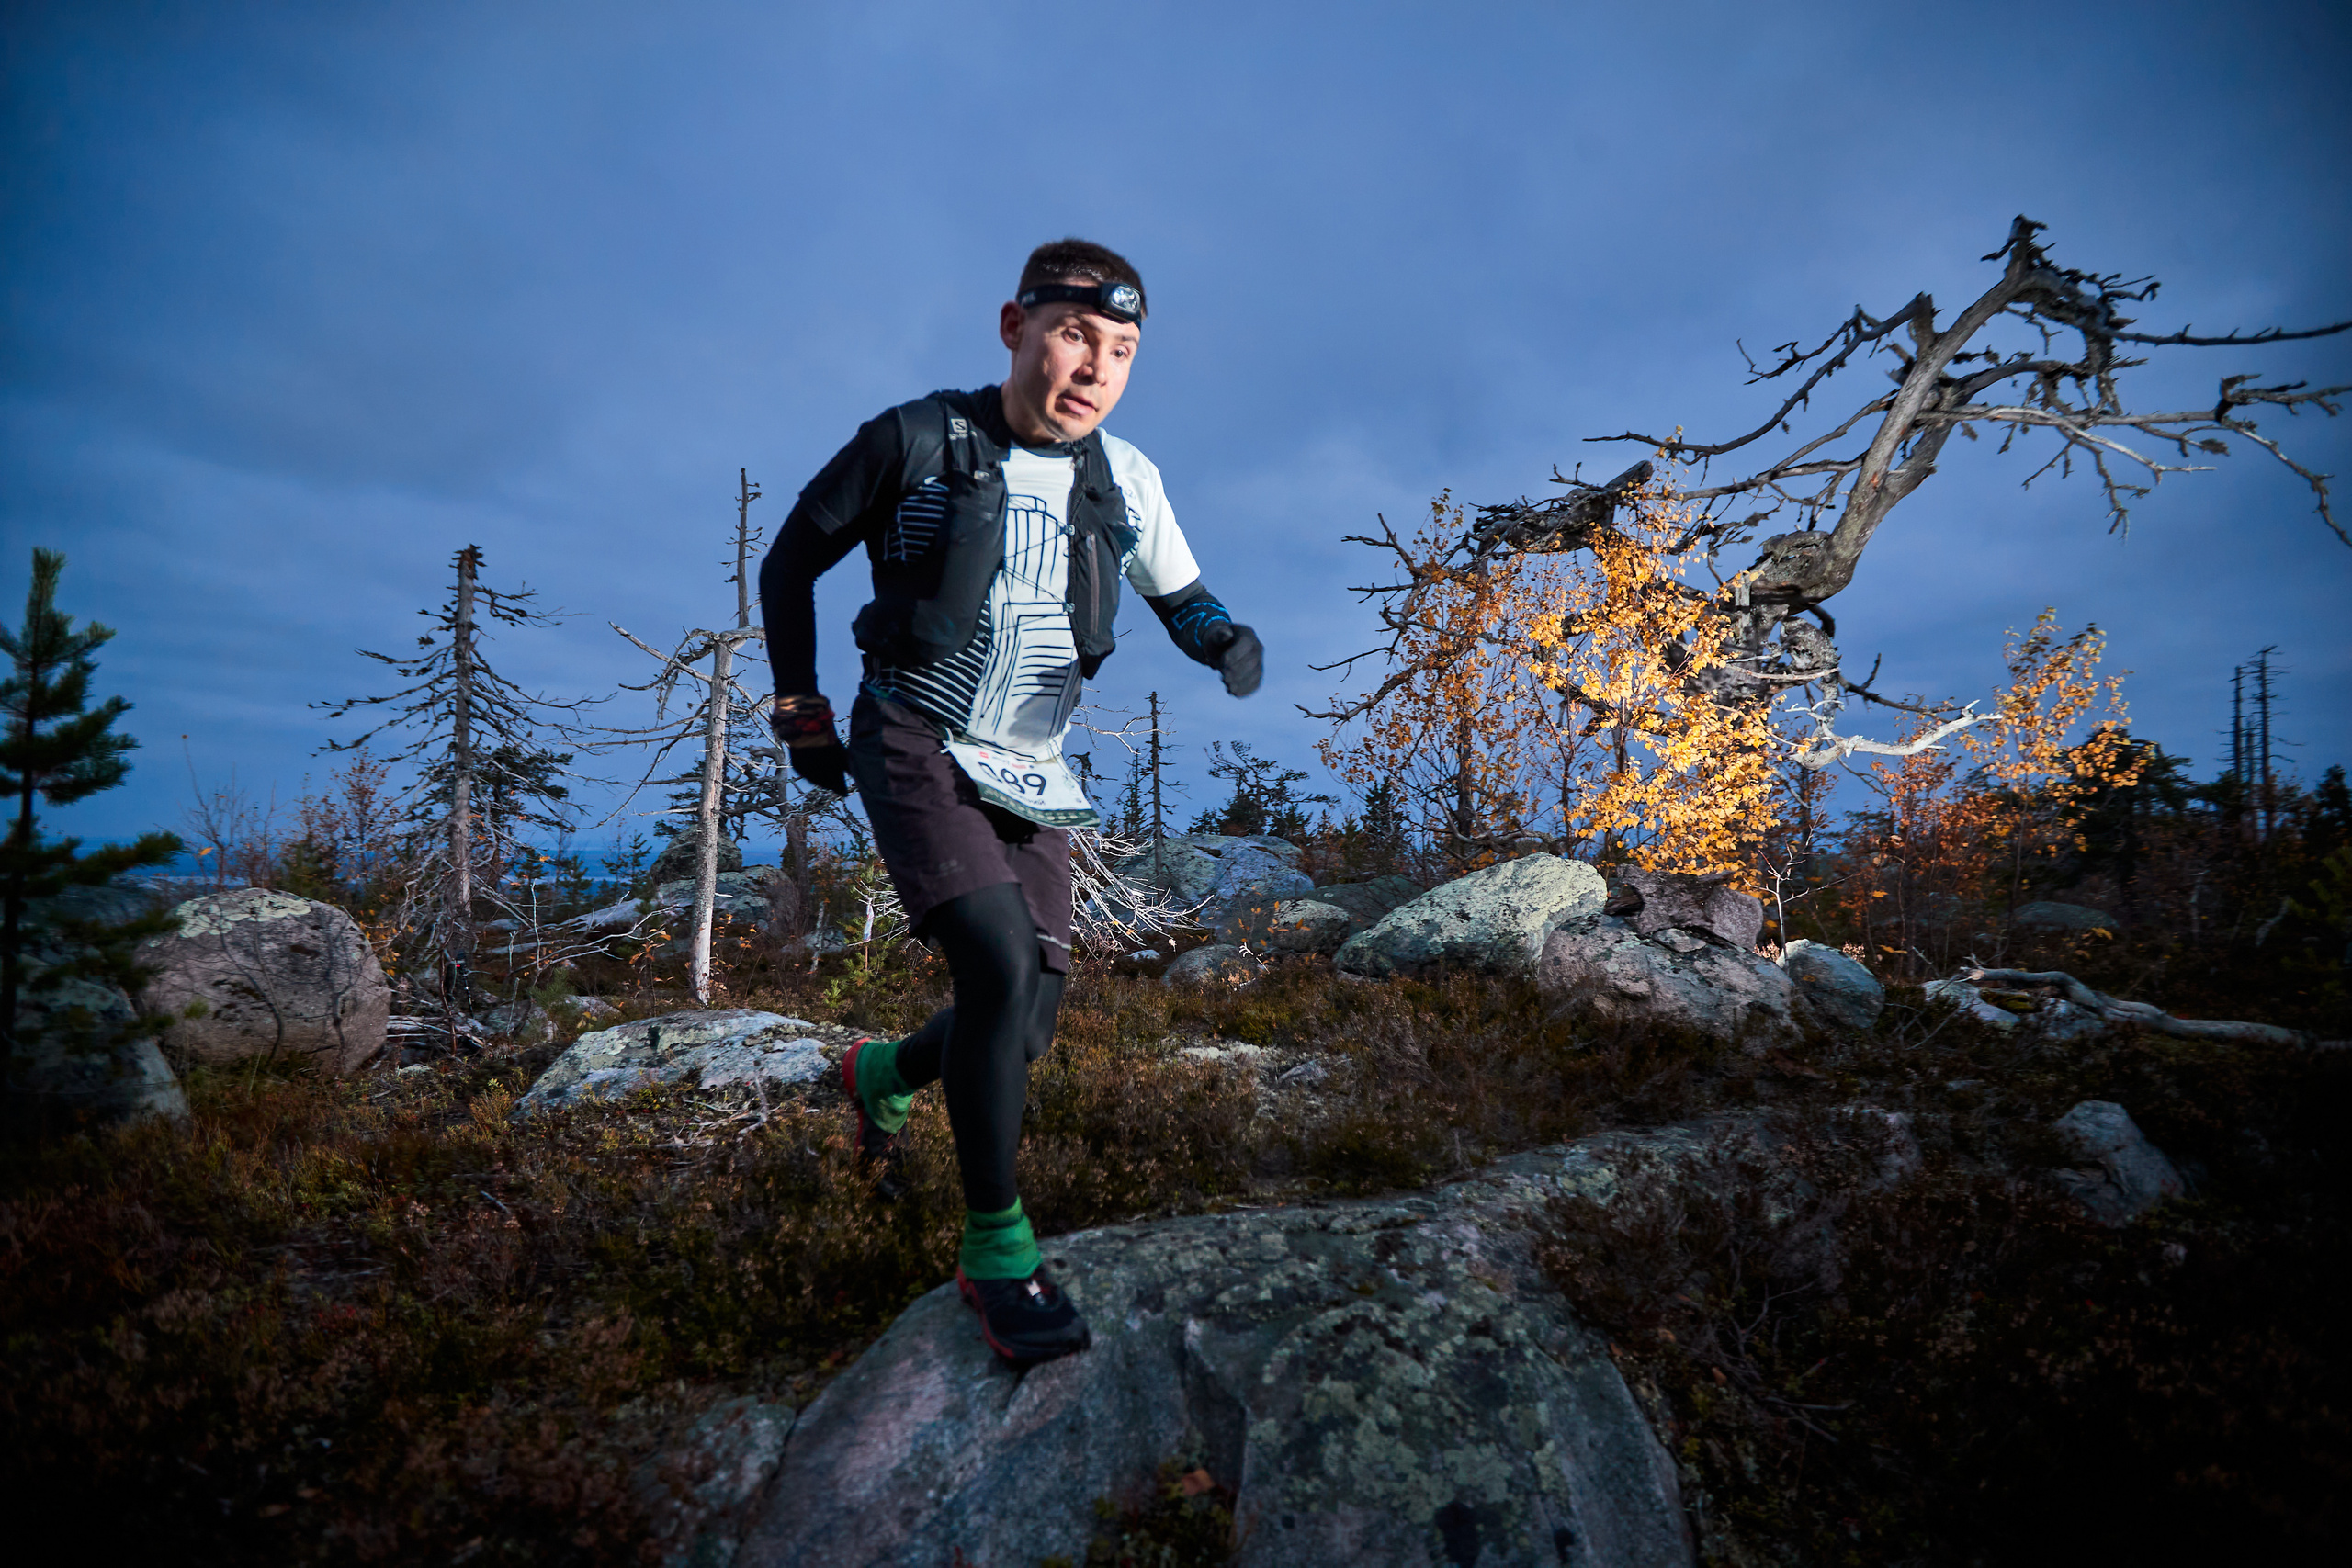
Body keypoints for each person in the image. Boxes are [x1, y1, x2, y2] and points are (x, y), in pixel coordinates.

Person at [757, 239, 1261, 1364]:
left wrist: (1223, 638)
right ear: (1015, 327)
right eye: (1075, 335)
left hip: (1031, 762)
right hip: (915, 728)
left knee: (1024, 1021)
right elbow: (790, 562)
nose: (1094, 366)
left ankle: (880, 1074)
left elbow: (1177, 590)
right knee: (993, 965)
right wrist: (801, 708)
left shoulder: (1124, 477)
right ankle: (998, 1251)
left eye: (1120, 350)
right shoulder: (915, 439)